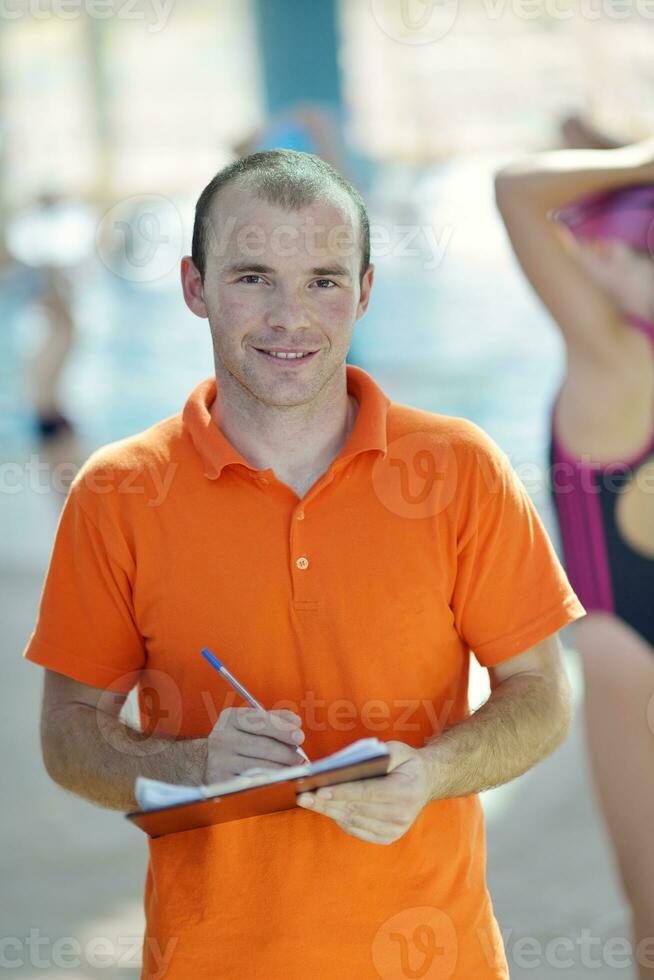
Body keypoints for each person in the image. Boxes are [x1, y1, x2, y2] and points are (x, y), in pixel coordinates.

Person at [23, 149, 585, 980]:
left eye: (323, 280)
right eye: (253, 276)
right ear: (193, 286)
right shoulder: (117, 491)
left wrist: (430, 773)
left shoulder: (460, 468)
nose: (291, 316)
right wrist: (192, 762)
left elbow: (541, 695)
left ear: (362, 292)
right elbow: (68, 738)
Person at [495, 140, 654, 978]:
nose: (587, 259)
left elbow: (515, 189)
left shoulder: (611, 356)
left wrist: (642, 155)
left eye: (604, 246)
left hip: (628, 654)